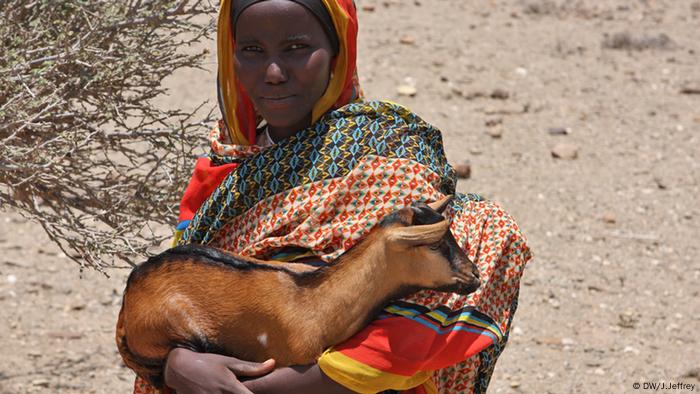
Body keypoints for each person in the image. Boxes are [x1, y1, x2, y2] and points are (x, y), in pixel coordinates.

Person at [132, 0, 531, 393]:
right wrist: (174, 363)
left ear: (339, 51)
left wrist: (272, 388)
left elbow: (417, 322)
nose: (273, 73)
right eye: (252, 50)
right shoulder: (221, 171)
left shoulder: (387, 157)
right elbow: (172, 295)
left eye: (296, 49)